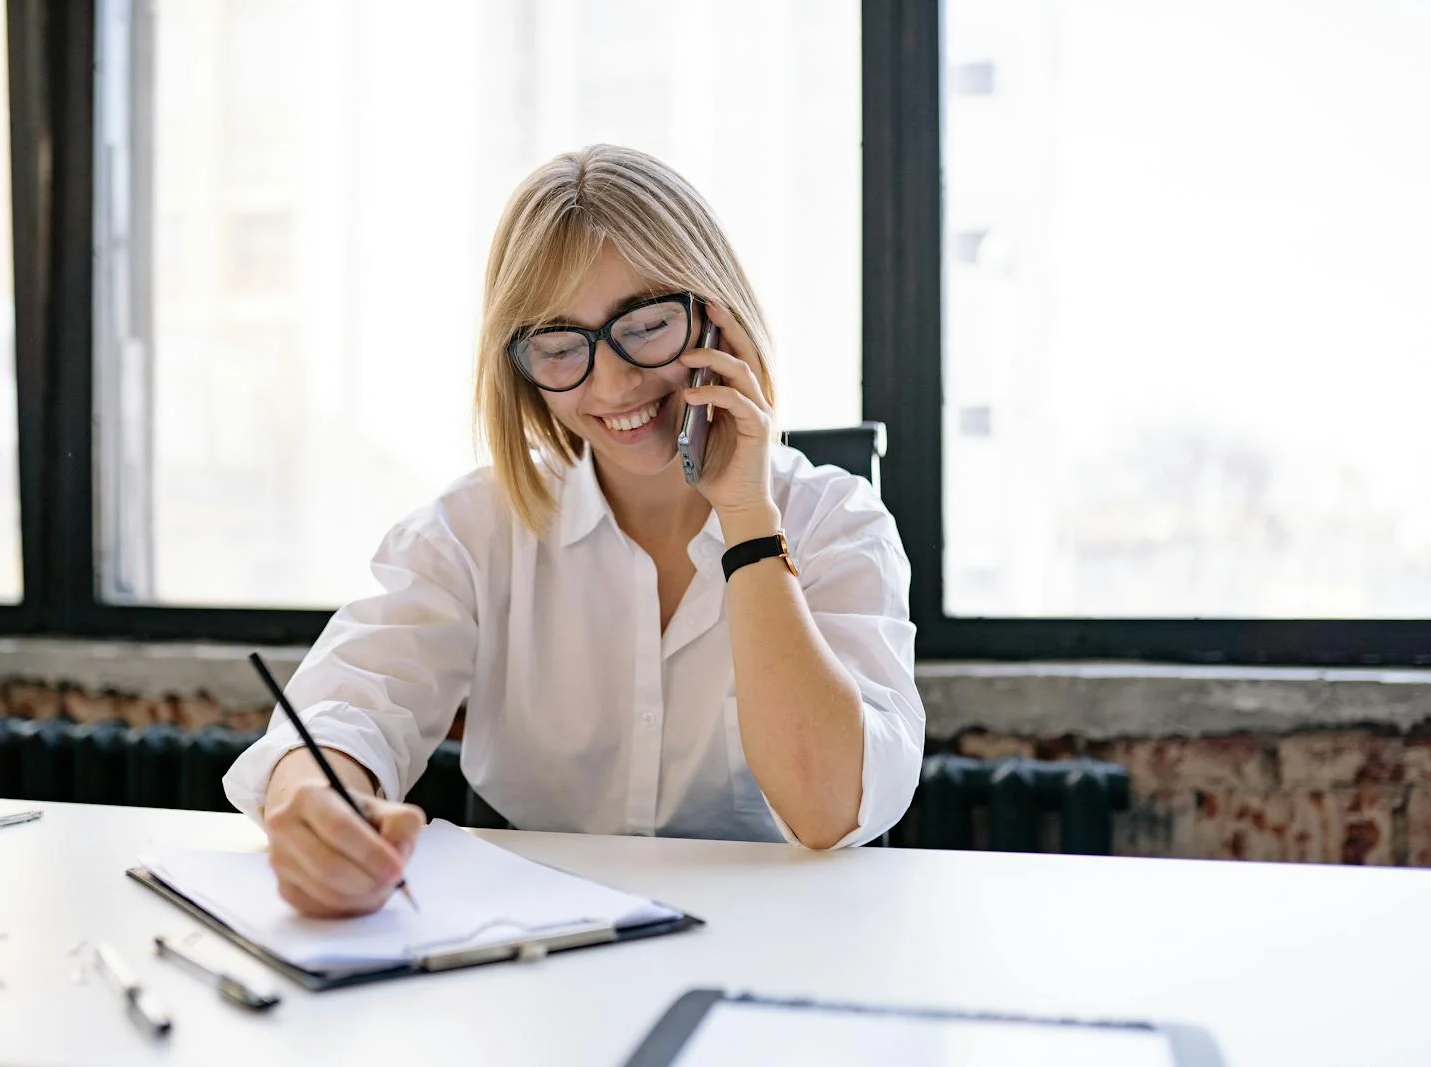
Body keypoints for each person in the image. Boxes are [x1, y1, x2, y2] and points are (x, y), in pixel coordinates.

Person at [224, 144, 925, 918]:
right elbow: (350, 705)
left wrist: (748, 520)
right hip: (540, 957)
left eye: (648, 325)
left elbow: (830, 808)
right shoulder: (474, 528)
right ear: (521, 365)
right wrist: (319, 801)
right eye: (562, 347)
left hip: (772, 946)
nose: (615, 383)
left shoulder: (836, 521)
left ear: (717, 316)